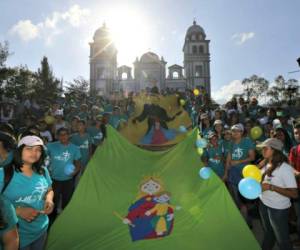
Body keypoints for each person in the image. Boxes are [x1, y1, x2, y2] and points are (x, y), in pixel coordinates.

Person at [0, 135, 54, 250]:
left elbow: (49, 189)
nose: (34, 153)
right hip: (16, 235)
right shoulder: (4, 173)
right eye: (29, 148)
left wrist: (49, 199)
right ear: (19, 150)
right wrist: (16, 211)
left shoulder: (42, 171)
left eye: (38, 150)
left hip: (41, 229)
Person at [258, 138, 298, 250]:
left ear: (274, 150)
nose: (263, 150)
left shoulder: (285, 168)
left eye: (265, 148)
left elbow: (294, 194)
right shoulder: (265, 163)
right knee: (268, 234)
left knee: (283, 241)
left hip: (278, 209)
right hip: (263, 204)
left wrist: (271, 187)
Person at [47, 128, 81, 220]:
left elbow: (78, 162)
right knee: (53, 201)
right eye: (60, 134)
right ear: (57, 136)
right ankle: (51, 220)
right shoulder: (50, 146)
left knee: (67, 201)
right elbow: (43, 157)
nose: (63, 136)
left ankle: (64, 219)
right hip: (54, 179)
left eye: (65, 134)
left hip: (68, 180)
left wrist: (75, 171)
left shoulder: (74, 148)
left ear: (69, 135)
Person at [224, 123, 255, 225]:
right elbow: (228, 158)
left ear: (242, 132)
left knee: (246, 197)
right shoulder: (231, 142)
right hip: (233, 173)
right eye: (233, 131)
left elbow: (252, 157)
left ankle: (248, 220)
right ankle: (244, 219)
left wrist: (238, 162)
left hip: (244, 173)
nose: (235, 133)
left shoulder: (247, 141)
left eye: (237, 131)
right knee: (237, 198)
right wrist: (225, 173)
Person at [289, 122, 300, 245]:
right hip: (297, 188)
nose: (298, 135)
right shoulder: (294, 150)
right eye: (296, 133)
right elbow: (291, 167)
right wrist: (297, 172)